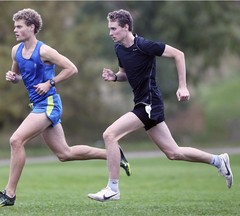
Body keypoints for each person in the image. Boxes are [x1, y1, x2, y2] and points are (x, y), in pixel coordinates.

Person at [0, 8, 131, 207]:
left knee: (16, 140)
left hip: (49, 104)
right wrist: (13, 78)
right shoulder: (15, 51)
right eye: (15, 26)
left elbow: (72, 68)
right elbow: (19, 77)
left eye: (19, 26)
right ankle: (114, 154)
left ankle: (9, 194)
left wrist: (50, 83)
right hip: (37, 104)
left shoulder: (44, 51)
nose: (15, 30)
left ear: (32, 28)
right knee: (65, 154)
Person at [88, 9, 233, 202]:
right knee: (174, 153)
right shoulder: (119, 49)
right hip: (143, 103)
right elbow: (126, 73)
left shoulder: (144, 45)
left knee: (110, 134)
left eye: (114, 29)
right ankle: (218, 160)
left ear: (126, 27)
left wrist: (182, 86)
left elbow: (178, 54)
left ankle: (112, 188)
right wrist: (115, 77)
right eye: (109, 29)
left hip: (150, 103)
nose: (110, 33)